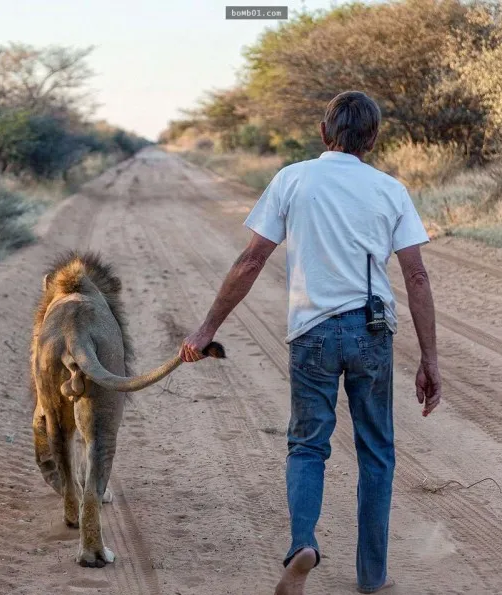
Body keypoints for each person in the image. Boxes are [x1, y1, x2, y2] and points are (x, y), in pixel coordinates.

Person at [179, 90, 441, 595]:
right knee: (376, 452)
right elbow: (418, 278)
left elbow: (251, 260)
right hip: (371, 333)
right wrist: (429, 359)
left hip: (312, 335)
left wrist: (206, 329)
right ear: (373, 138)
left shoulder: (292, 179)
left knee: (307, 446)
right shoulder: (390, 190)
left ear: (324, 134)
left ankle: (303, 543)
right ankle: (372, 576)